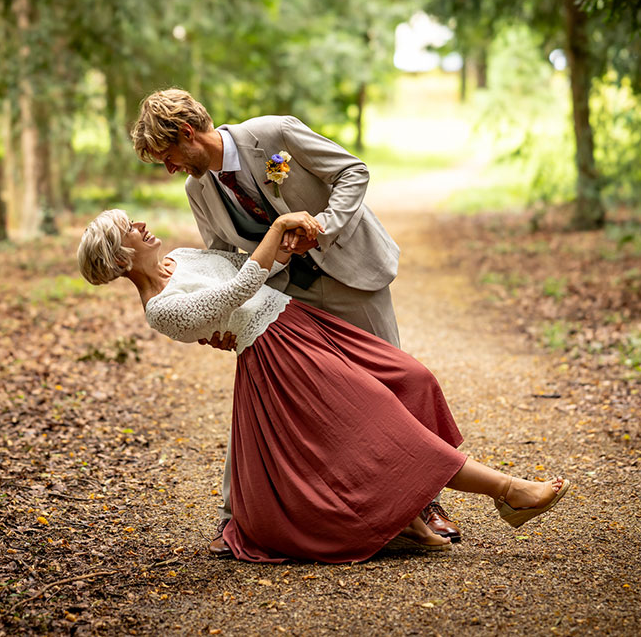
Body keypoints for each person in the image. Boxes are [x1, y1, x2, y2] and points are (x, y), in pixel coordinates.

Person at [77, 208, 570, 563]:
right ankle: (509, 491)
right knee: (380, 418)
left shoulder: (183, 256)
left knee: (412, 379)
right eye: (128, 228)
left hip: (301, 322)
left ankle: (408, 509)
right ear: (119, 257)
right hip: (278, 356)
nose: (140, 225)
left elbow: (259, 271)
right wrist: (275, 229)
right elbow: (238, 289)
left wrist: (287, 245)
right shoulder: (160, 309)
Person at [130, 88, 460, 554]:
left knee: (392, 380)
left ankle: (426, 504)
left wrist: (324, 225)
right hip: (288, 298)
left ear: (187, 133)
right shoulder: (197, 189)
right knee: (318, 403)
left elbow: (353, 171)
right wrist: (217, 321)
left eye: (168, 156)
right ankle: (243, 518)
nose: (170, 169)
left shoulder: (274, 133)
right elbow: (223, 257)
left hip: (351, 274)